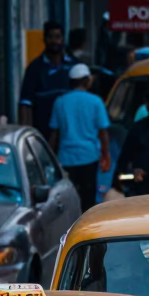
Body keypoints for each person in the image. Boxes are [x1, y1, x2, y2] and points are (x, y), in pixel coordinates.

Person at [48, 63, 111, 213]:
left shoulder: (60, 102)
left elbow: (54, 133)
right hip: (89, 157)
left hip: (66, 159)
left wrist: (50, 158)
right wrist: (105, 155)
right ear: (86, 80)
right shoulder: (96, 102)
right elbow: (103, 132)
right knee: (88, 199)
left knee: (67, 199)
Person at [19, 21, 76, 137]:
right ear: (44, 39)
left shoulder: (74, 66)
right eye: (50, 37)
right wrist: (27, 136)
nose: (54, 41)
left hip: (71, 134)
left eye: (57, 37)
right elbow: (25, 104)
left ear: (63, 39)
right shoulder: (34, 68)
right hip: (43, 135)